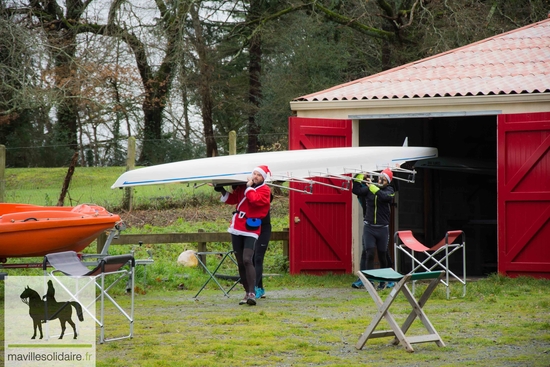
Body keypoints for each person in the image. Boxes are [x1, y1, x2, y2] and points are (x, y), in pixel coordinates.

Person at [214, 165, 271, 306]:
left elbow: (254, 199)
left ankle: (252, 292)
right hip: (237, 226)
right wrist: (221, 190)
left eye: (259, 175)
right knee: (240, 261)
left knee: (247, 259)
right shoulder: (245, 188)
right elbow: (234, 199)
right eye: (254, 174)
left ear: (263, 177)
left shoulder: (265, 190)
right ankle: (246, 292)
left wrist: (248, 186)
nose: (255, 176)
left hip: (251, 228)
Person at [351, 168, 396, 290]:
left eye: (384, 179)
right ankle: (368, 280)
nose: (380, 180)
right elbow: (356, 190)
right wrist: (360, 175)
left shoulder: (389, 190)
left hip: (382, 228)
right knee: (369, 253)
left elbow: (384, 197)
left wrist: (373, 188)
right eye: (380, 178)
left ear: (388, 182)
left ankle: (383, 281)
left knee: (382, 255)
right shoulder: (370, 190)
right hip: (369, 227)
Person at [254, 193, 273, 299]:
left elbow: (269, 197)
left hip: (264, 228)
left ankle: (255, 288)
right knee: (251, 259)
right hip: (251, 226)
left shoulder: (265, 192)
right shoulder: (248, 190)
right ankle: (260, 288)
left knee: (258, 258)